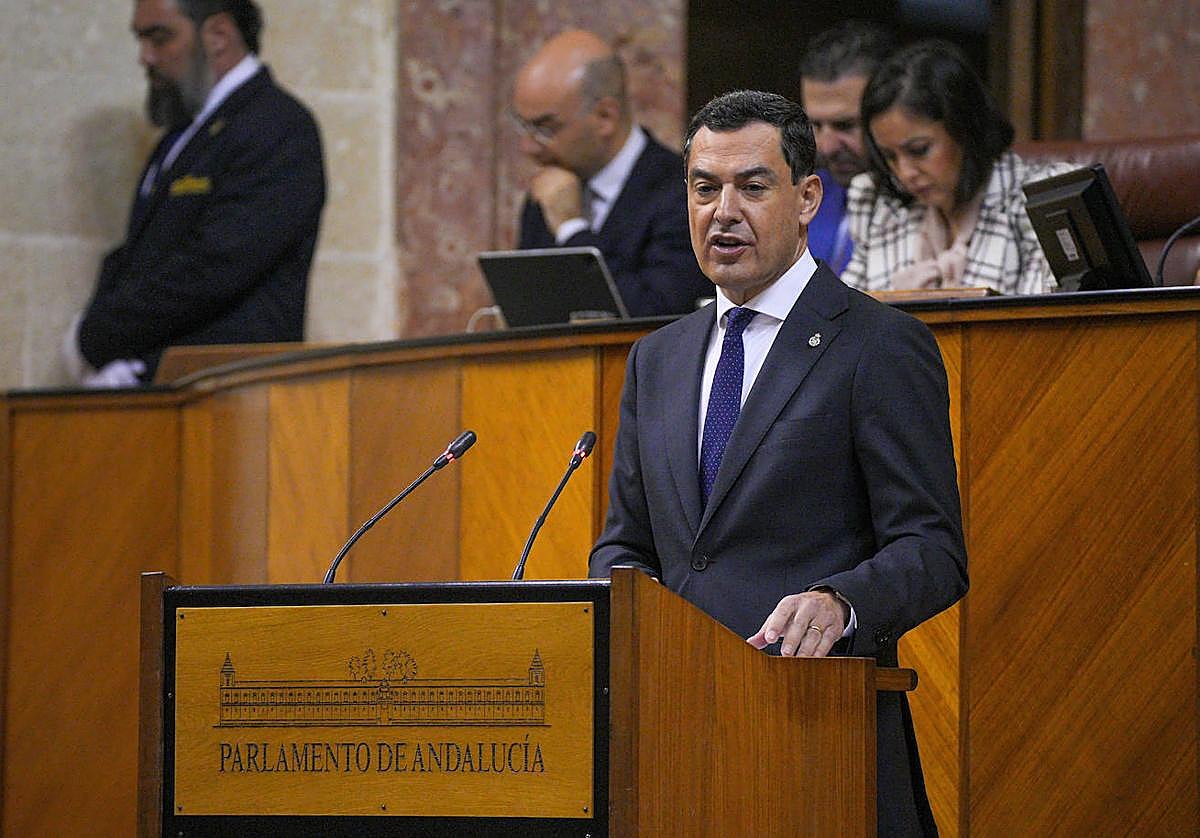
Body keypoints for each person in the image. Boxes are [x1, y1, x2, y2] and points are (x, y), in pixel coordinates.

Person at [589, 90, 967, 836]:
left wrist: (838, 601)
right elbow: (627, 546)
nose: (723, 210)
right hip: (675, 750)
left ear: (806, 198)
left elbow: (933, 550)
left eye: (753, 186)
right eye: (705, 188)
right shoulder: (656, 360)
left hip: (817, 740)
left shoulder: (878, 345)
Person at [63, 0, 325, 386]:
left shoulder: (278, 127)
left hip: (228, 396)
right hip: (159, 388)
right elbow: (141, 256)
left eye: (160, 38)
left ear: (218, 35)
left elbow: (217, 265)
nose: (145, 58)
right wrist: (94, 333)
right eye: (141, 40)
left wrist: (98, 337)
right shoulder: (181, 137)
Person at [842, 40, 1072, 295]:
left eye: (919, 150)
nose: (904, 173)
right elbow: (841, 319)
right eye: (889, 156)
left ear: (965, 129)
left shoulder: (1041, 200)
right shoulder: (876, 200)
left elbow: (1043, 326)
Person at [511, 30, 711, 317]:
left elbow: (656, 315)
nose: (528, 147)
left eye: (545, 129)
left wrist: (572, 229)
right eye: (523, 126)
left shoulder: (684, 191)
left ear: (605, 117)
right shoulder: (549, 191)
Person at [799, 20, 896, 275]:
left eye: (845, 125)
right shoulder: (804, 200)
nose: (827, 147)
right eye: (816, 125)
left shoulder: (929, 205)